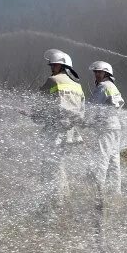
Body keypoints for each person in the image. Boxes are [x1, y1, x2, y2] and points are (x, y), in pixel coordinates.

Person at [32, 49, 85, 204]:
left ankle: (54, 200)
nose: (51, 68)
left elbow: (41, 105)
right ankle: (63, 196)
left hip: (54, 130)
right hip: (70, 133)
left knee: (50, 165)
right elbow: (81, 113)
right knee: (59, 163)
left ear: (62, 67)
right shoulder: (77, 86)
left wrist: (35, 116)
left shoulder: (52, 81)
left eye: (54, 66)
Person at [86, 60, 125, 201]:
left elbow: (90, 106)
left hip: (105, 129)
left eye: (99, 72)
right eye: (95, 72)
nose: (96, 75)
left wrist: (84, 119)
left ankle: (99, 192)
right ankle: (116, 193)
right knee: (114, 161)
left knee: (101, 159)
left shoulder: (102, 86)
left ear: (106, 73)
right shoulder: (113, 87)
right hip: (115, 127)